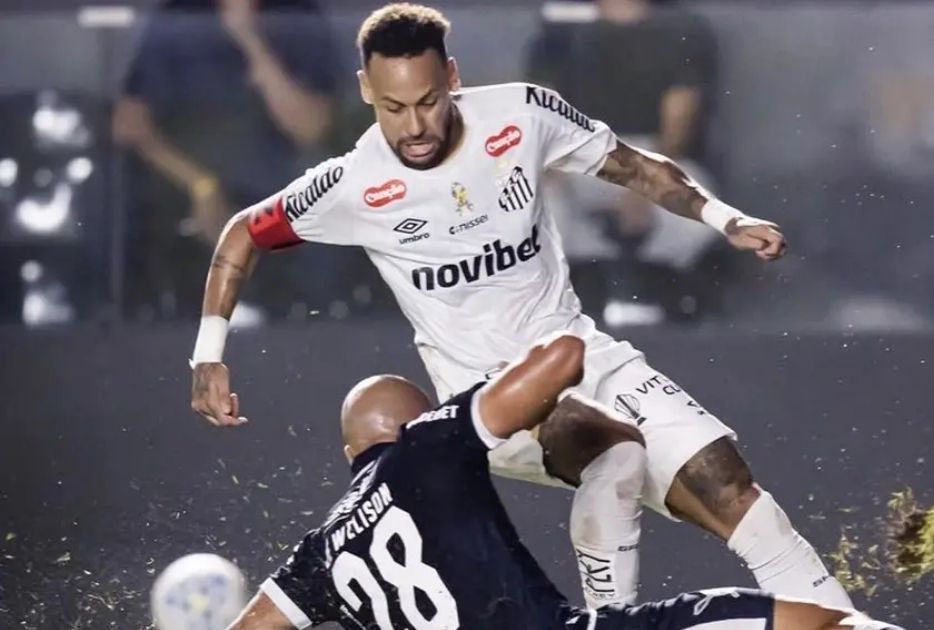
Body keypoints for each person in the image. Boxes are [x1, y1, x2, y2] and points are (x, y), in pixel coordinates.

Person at [190, 2, 855, 612]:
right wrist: (209, 355)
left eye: (428, 101)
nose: (414, 125)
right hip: (490, 400)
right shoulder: (354, 182)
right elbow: (243, 233)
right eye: (393, 107)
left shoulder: (521, 115)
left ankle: (853, 624)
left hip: (583, 351)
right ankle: (606, 626)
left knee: (732, 488)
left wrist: (724, 217)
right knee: (616, 454)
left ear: (452, 77)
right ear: (366, 89)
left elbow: (632, 166)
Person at [224, 334, 898, 630]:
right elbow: (566, 358)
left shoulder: (319, 553)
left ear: (349, 451)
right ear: (418, 419)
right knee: (817, 624)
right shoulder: (428, 445)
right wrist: (509, 378)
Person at [114, 0, 343, 321]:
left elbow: (309, 129)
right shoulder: (180, 14)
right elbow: (128, 125)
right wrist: (200, 186)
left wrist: (249, 38)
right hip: (185, 187)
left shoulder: (296, 13)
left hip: (277, 194)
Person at [526, 0, 721, 325]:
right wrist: (548, 164)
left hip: (650, 154)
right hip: (576, 153)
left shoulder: (679, 29)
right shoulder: (560, 29)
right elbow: (541, 108)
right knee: (535, 205)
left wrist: (644, 186)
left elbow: (680, 118)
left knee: (700, 210)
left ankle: (652, 288)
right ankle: (584, 286)